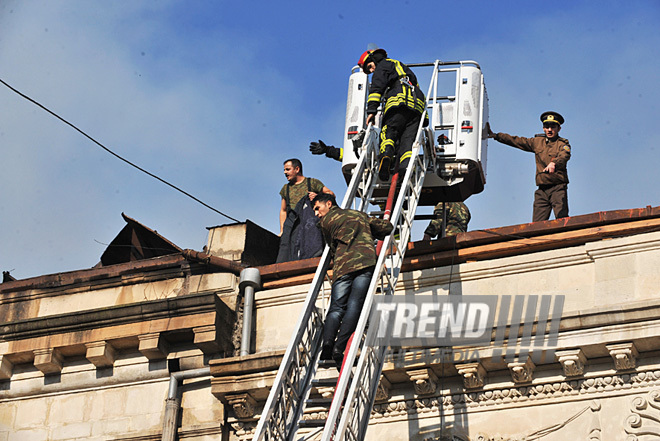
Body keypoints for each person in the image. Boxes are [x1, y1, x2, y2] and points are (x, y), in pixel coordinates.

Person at [312, 193, 393, 367]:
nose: (317, 214)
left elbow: (332, 247)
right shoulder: (358, 215)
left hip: (342, 267)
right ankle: (338, 348)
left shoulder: (325, 223)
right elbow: (386, 228)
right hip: (364, 262)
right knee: (355, 304)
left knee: (336, 307)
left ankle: (327, 344)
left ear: (329, 203)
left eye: (318, 208)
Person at [357, 48, 427, 181]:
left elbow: (377, 88)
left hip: (397, 102)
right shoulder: (402, 67)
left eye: (370, 67)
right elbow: (417, 88)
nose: (372, 71)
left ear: (374, 59)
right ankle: (405, 169)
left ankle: (386, 156)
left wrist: (371, 111)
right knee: (408, 141)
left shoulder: (382, 66)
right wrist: (425, 118)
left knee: (389, 131)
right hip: (416, 107)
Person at [487, 111, 571, 222]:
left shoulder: (562, 144)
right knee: (536, 225)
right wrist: (497, 136)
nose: (549, 130)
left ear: (559, 129)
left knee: (562, 220)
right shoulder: (537, 142)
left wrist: (554, 163)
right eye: (546, 127)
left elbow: (564, 156)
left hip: (558, 188)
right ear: (543, 128)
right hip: (542, 190)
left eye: (553, 127)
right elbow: (517, 141)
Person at [277, 159, 334, 263]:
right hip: (294, 224)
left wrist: (318, 197)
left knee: (311, 246)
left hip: (310, 224)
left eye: (288, 169)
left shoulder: (312, 182)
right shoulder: (285, 188)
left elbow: (331, 194)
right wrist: (282, 230)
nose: (285, 172)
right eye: (284, 170)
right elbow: (283, 210)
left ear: (297, 169)